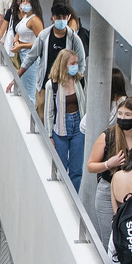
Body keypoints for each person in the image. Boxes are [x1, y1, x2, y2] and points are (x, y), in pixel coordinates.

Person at [11, 0, 87, 122]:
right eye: (58, 17)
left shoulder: (74, 39)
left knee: (62, 118)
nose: (61, 20)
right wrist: (17, 76)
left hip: (65, 85)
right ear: (52, 18)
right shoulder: (44, 35)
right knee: (42, 116)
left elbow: (81, 64)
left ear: (68, 18)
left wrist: (75, 82)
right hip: (45, 86)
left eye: (63, 17)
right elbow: (31, 57)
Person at [87, 97, 132, 243]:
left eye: (127, 115)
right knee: (110, 239)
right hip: (108, 191)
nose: (122, 118)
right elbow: (91, 166)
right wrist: (108, 163)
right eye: (120, 114)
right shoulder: (107, 136)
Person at [41, 50, 87, 190]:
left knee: (76, 168)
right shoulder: (52, 85)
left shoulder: (80, 80)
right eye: (72, 63)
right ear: (63, 65)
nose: (75, 66)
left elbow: (84, 103)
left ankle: (75, 197)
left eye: (76, 63)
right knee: (61, 165)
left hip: (78, 125)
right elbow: (49, 111)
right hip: (60, 126)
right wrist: (49, 135)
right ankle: (62, 193)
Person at [10, 0, 44, 106]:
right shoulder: (25, 17)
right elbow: (19, 31)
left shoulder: (35, 20)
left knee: (29, 89)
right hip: (21, 54)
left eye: (27, 1)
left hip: (30, 56)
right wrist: (16, 40)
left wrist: (22, 46)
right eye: (23, 1)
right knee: (24, 85)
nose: (24, 3)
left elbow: (40, 42)